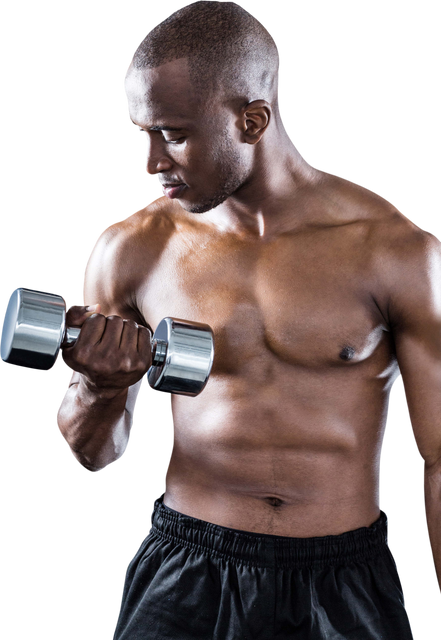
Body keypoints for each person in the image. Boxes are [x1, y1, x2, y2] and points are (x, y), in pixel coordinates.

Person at [54, 1, 440, 638]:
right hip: (187, 569)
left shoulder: (391, 250)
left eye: (173, 134)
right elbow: (94, 456)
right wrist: (100, 387)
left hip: (342, 581)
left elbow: (439, 458)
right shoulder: (132, 248)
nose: (150, 162)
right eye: (141, 134)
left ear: (253, 119)